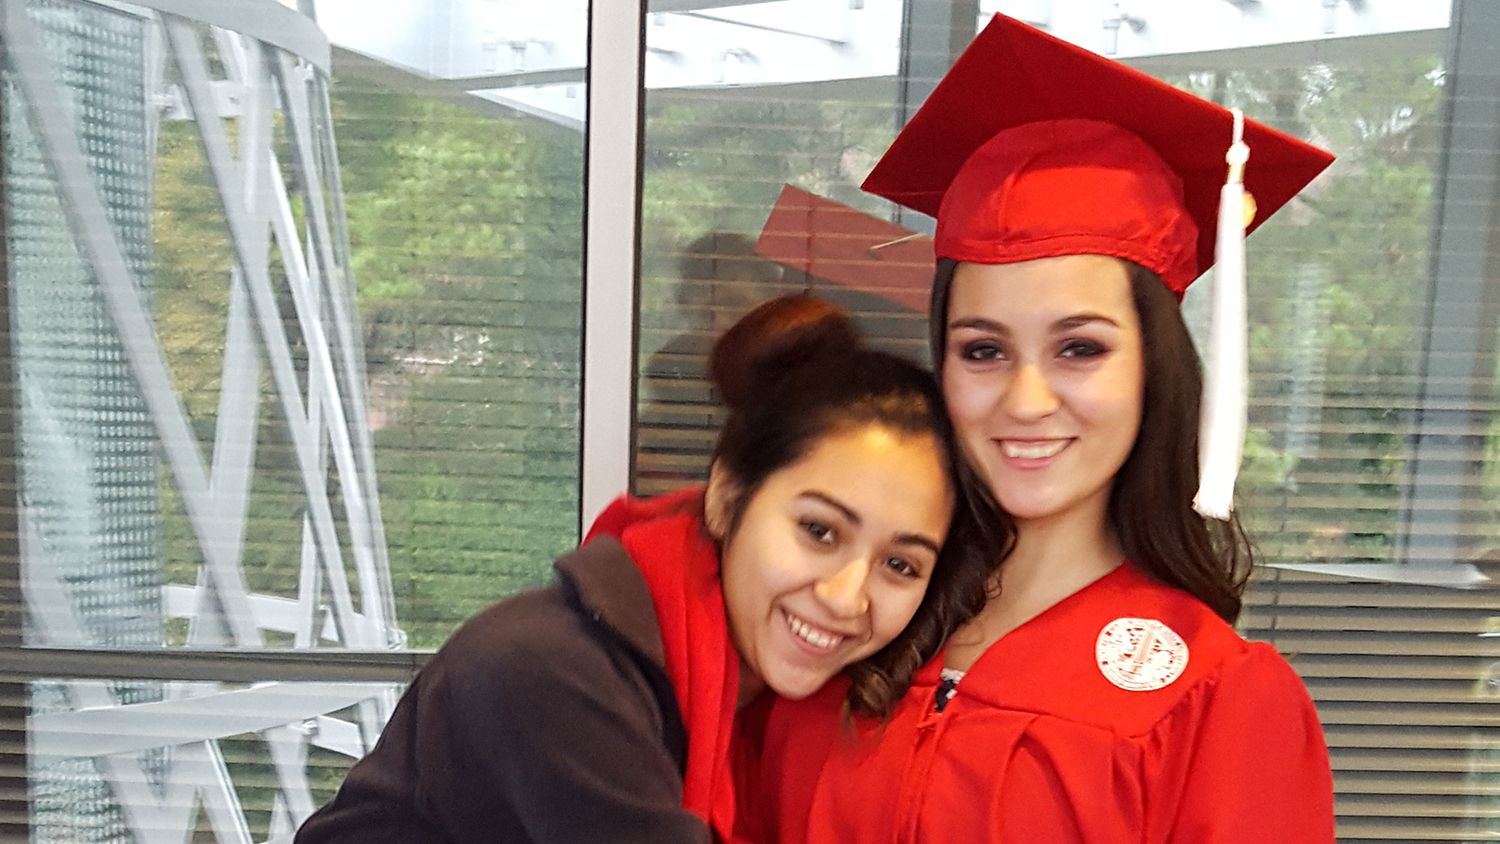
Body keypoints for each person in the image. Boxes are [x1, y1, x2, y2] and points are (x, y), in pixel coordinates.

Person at [739, 13, 1339, 843]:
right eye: (983, 349)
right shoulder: (852, 613)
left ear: (1153, 367)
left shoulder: (1216, 696)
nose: (1025, 401)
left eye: (1079, 348)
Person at [294, 294, 992, 843]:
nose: (847, 596)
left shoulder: (767, 703)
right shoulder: (559, 671)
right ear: (725, 496)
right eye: (819, 530)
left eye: (900, 564)